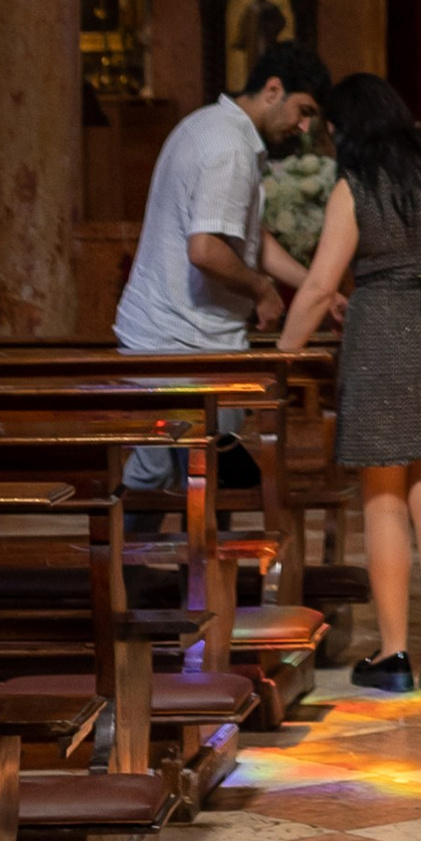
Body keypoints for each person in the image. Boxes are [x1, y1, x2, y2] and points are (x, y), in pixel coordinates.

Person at [277, 74, 421, 697]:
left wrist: (283, 356)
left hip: (381, 337)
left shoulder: (356, 186)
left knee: (384, 497)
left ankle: (393, 654)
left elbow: (318, 286)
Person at [113, 40, 331, 508]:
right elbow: (207, 250)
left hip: (168, 332)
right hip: (183, 341)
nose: (305, 126)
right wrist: (262, 290)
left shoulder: (209, 126)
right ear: (273, 90)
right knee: (188, 475)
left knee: (179, 473)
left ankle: (142, 572)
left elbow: (248, 237)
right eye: (303, 110)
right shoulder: (230, 148)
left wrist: (313, 286)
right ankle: (145, 572)